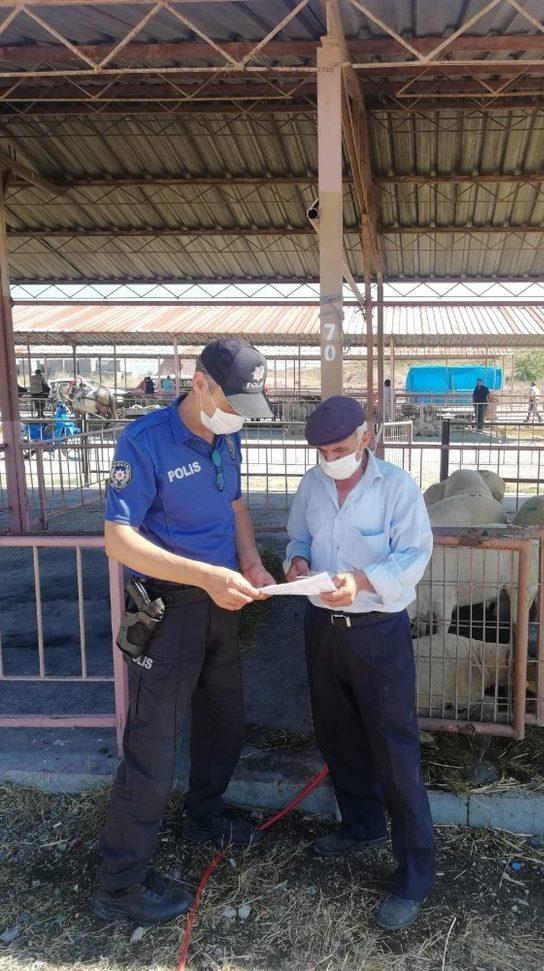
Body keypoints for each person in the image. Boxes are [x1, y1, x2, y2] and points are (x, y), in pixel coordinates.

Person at [94, 337, 276, 925]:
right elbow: (119, 539)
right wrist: (205, 577)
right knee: (153, 742)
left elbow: (237, 507)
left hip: (222, 598)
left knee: (224, 714)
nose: (239, 416)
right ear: (200, 383)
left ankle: (205, 815)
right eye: (234, 401)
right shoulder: (144, 443)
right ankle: (121, 884)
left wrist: (249, 562)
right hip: (170, 604)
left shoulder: (228, 436)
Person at [285, 395, 435, 931]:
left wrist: (363, 581)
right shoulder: (312, 484)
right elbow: (297, 537)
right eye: (324, 452)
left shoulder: (396, 487)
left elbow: (414, 554)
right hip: (322, 628)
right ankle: (360, 824)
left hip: (378, 631)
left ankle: (415, 871)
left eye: (341, 448)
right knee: (337, 733)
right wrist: (297, 561)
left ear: (366, 436)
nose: (333, 459)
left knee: (394, 747)